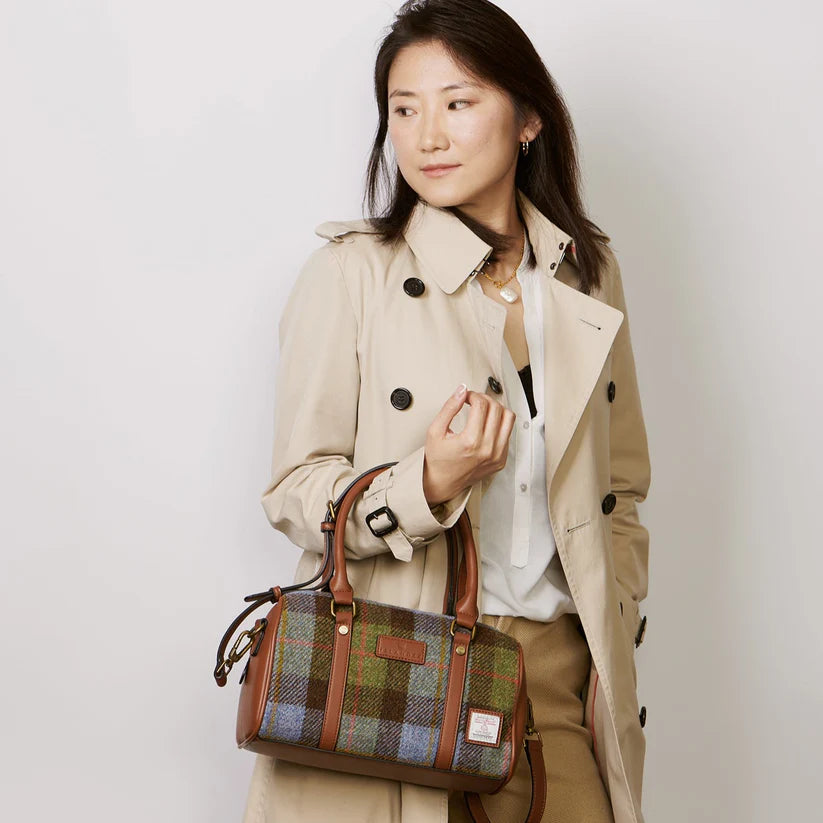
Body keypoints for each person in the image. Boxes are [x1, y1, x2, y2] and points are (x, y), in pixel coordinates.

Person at [241, 1, 651, 821]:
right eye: (403, 109)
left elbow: (622, 484)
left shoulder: (585, 276)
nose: (426, 135)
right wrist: (424, 483)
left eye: (457, 103)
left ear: (528, 117)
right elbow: (293, 489)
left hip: (556, 684)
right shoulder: (351, 274)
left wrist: (616, 602)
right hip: (394, 669)